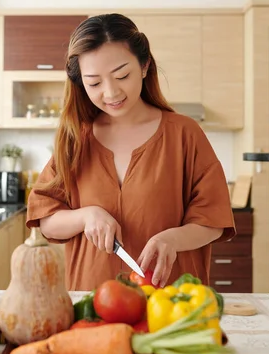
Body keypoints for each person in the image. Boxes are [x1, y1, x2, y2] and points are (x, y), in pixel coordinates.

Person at [26, 13, 235, 291]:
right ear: (80, 84)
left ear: (145, 66)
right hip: (95, 303)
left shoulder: (184, 134)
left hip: (170, 303)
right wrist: (86, 216)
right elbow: (46, 220)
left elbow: (214, 221)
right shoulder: (76, 139)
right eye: (95, 83)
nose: (111, 92)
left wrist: (173, 239)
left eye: (122, 75)